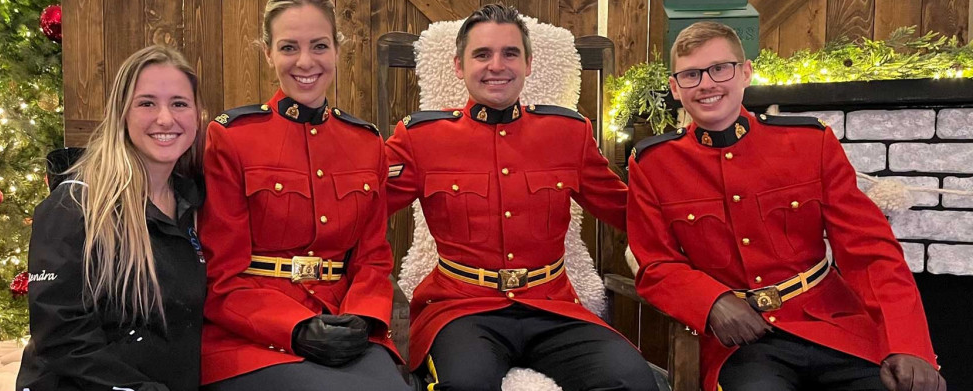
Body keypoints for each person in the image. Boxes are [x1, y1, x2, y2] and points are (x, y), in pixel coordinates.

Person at [627, 21, 945, 391]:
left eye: (720, 68)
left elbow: (870, 251)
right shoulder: (653, 164)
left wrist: (907, 343)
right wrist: (711, 301)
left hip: (831, 325)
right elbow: (656, 263)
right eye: (691, 75)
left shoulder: (810, 143)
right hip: (744, 343)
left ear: (745, 73)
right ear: (675, 89)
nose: (707, 84)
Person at [383, 4, 658, 390]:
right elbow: (360, 211)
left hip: (553, 306)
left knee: (632, 381)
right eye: (482, 54)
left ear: (528, 63)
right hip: (461, 308)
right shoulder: (420, 138)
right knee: (464, 385)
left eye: (510, 53)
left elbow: (630, 211)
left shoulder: (567, 133)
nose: (497, 65)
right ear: (458, 66)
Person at [197, 1, 408, 390]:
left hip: (342, 320)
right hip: (252, 335)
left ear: (338, 50)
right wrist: (294, 329)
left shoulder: (366, 143)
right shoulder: (232, 137)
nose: (305, 61)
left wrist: (363, 316)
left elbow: (373, 258)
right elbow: (220, 274)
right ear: (268, 53)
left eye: (320, 46)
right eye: (289, 47)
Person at [16, 45, 207, 391]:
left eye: (179, 103)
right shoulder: (75, 205)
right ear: (121, 113)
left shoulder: (195, 203)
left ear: (197, 115)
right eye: (147, 103)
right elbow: (60, 333)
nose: (165, 118)